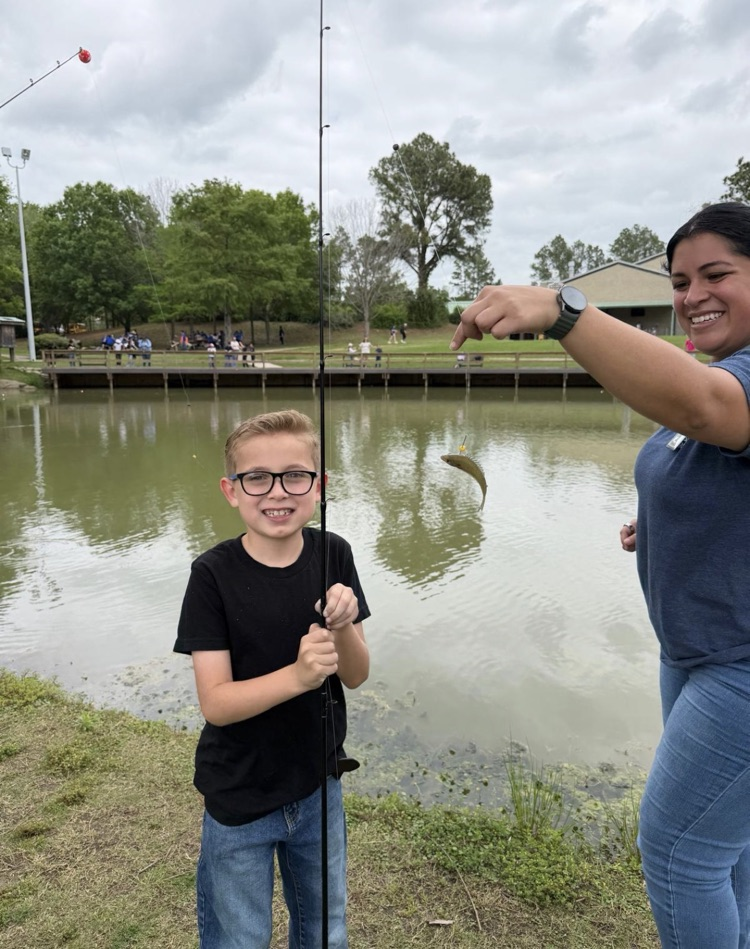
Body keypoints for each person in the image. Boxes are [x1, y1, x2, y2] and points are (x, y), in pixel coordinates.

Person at [451, 202, 750, 949]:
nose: (693, 295)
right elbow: (701, 450)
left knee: (681, 851)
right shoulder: (721, 368)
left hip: (740, 667)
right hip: (692, 652)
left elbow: (706, 408)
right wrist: (665, 523)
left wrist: (561, 308)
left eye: (717, 274)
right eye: (681, 280)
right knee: (729, 847)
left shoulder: (729, 382)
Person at [173, 409, 370, 949]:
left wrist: (347, 623)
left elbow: (354, 675)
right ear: (231, 490)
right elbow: (216, 703)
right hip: (239, 796)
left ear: (319, 485)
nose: (277, 492)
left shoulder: (335, 553)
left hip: (318, 788)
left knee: (324, 929)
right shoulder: (211, 575)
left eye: (295, 475)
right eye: (256, 477)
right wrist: (299, 676)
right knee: (240, 938)